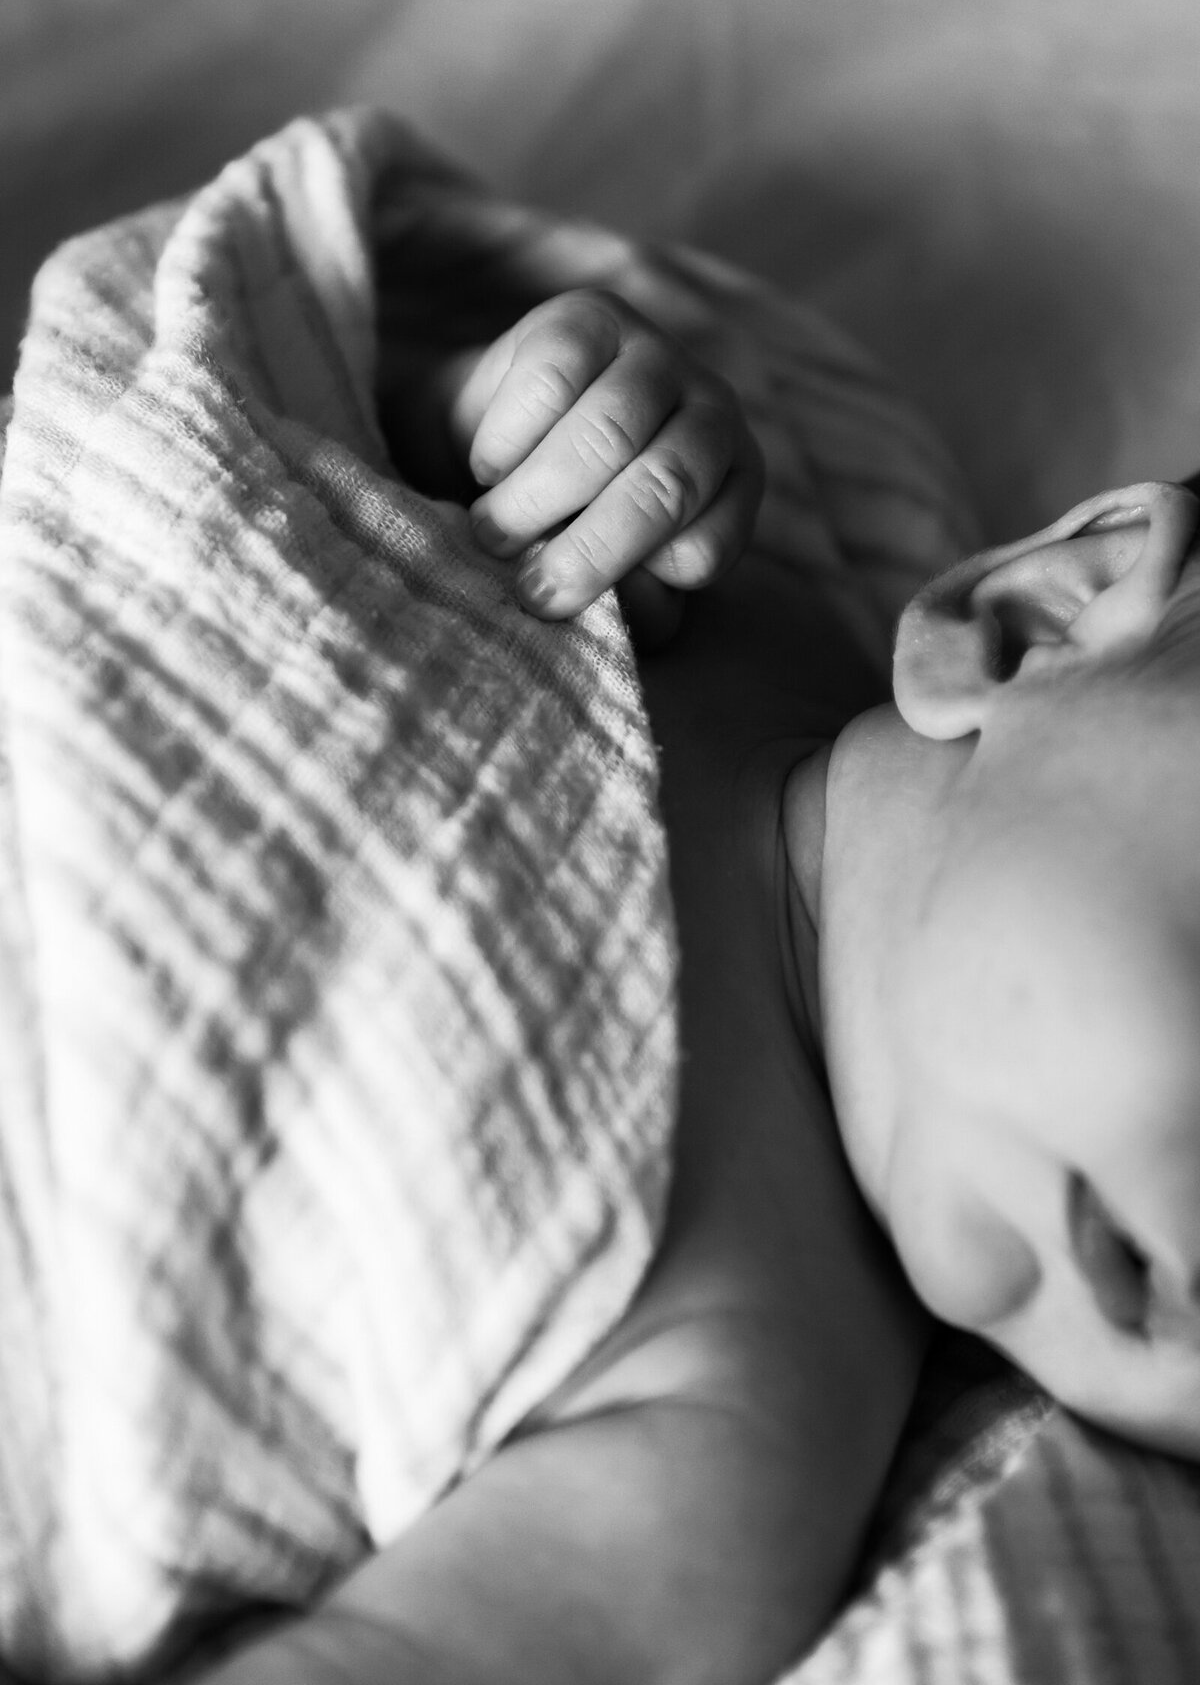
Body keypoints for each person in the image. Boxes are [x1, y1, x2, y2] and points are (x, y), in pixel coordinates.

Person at [186, 279, 1200, 1685]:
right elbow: (229, 436)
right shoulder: (699, 563)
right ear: (1035, 621)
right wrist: (485, 413)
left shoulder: (755, 1424)